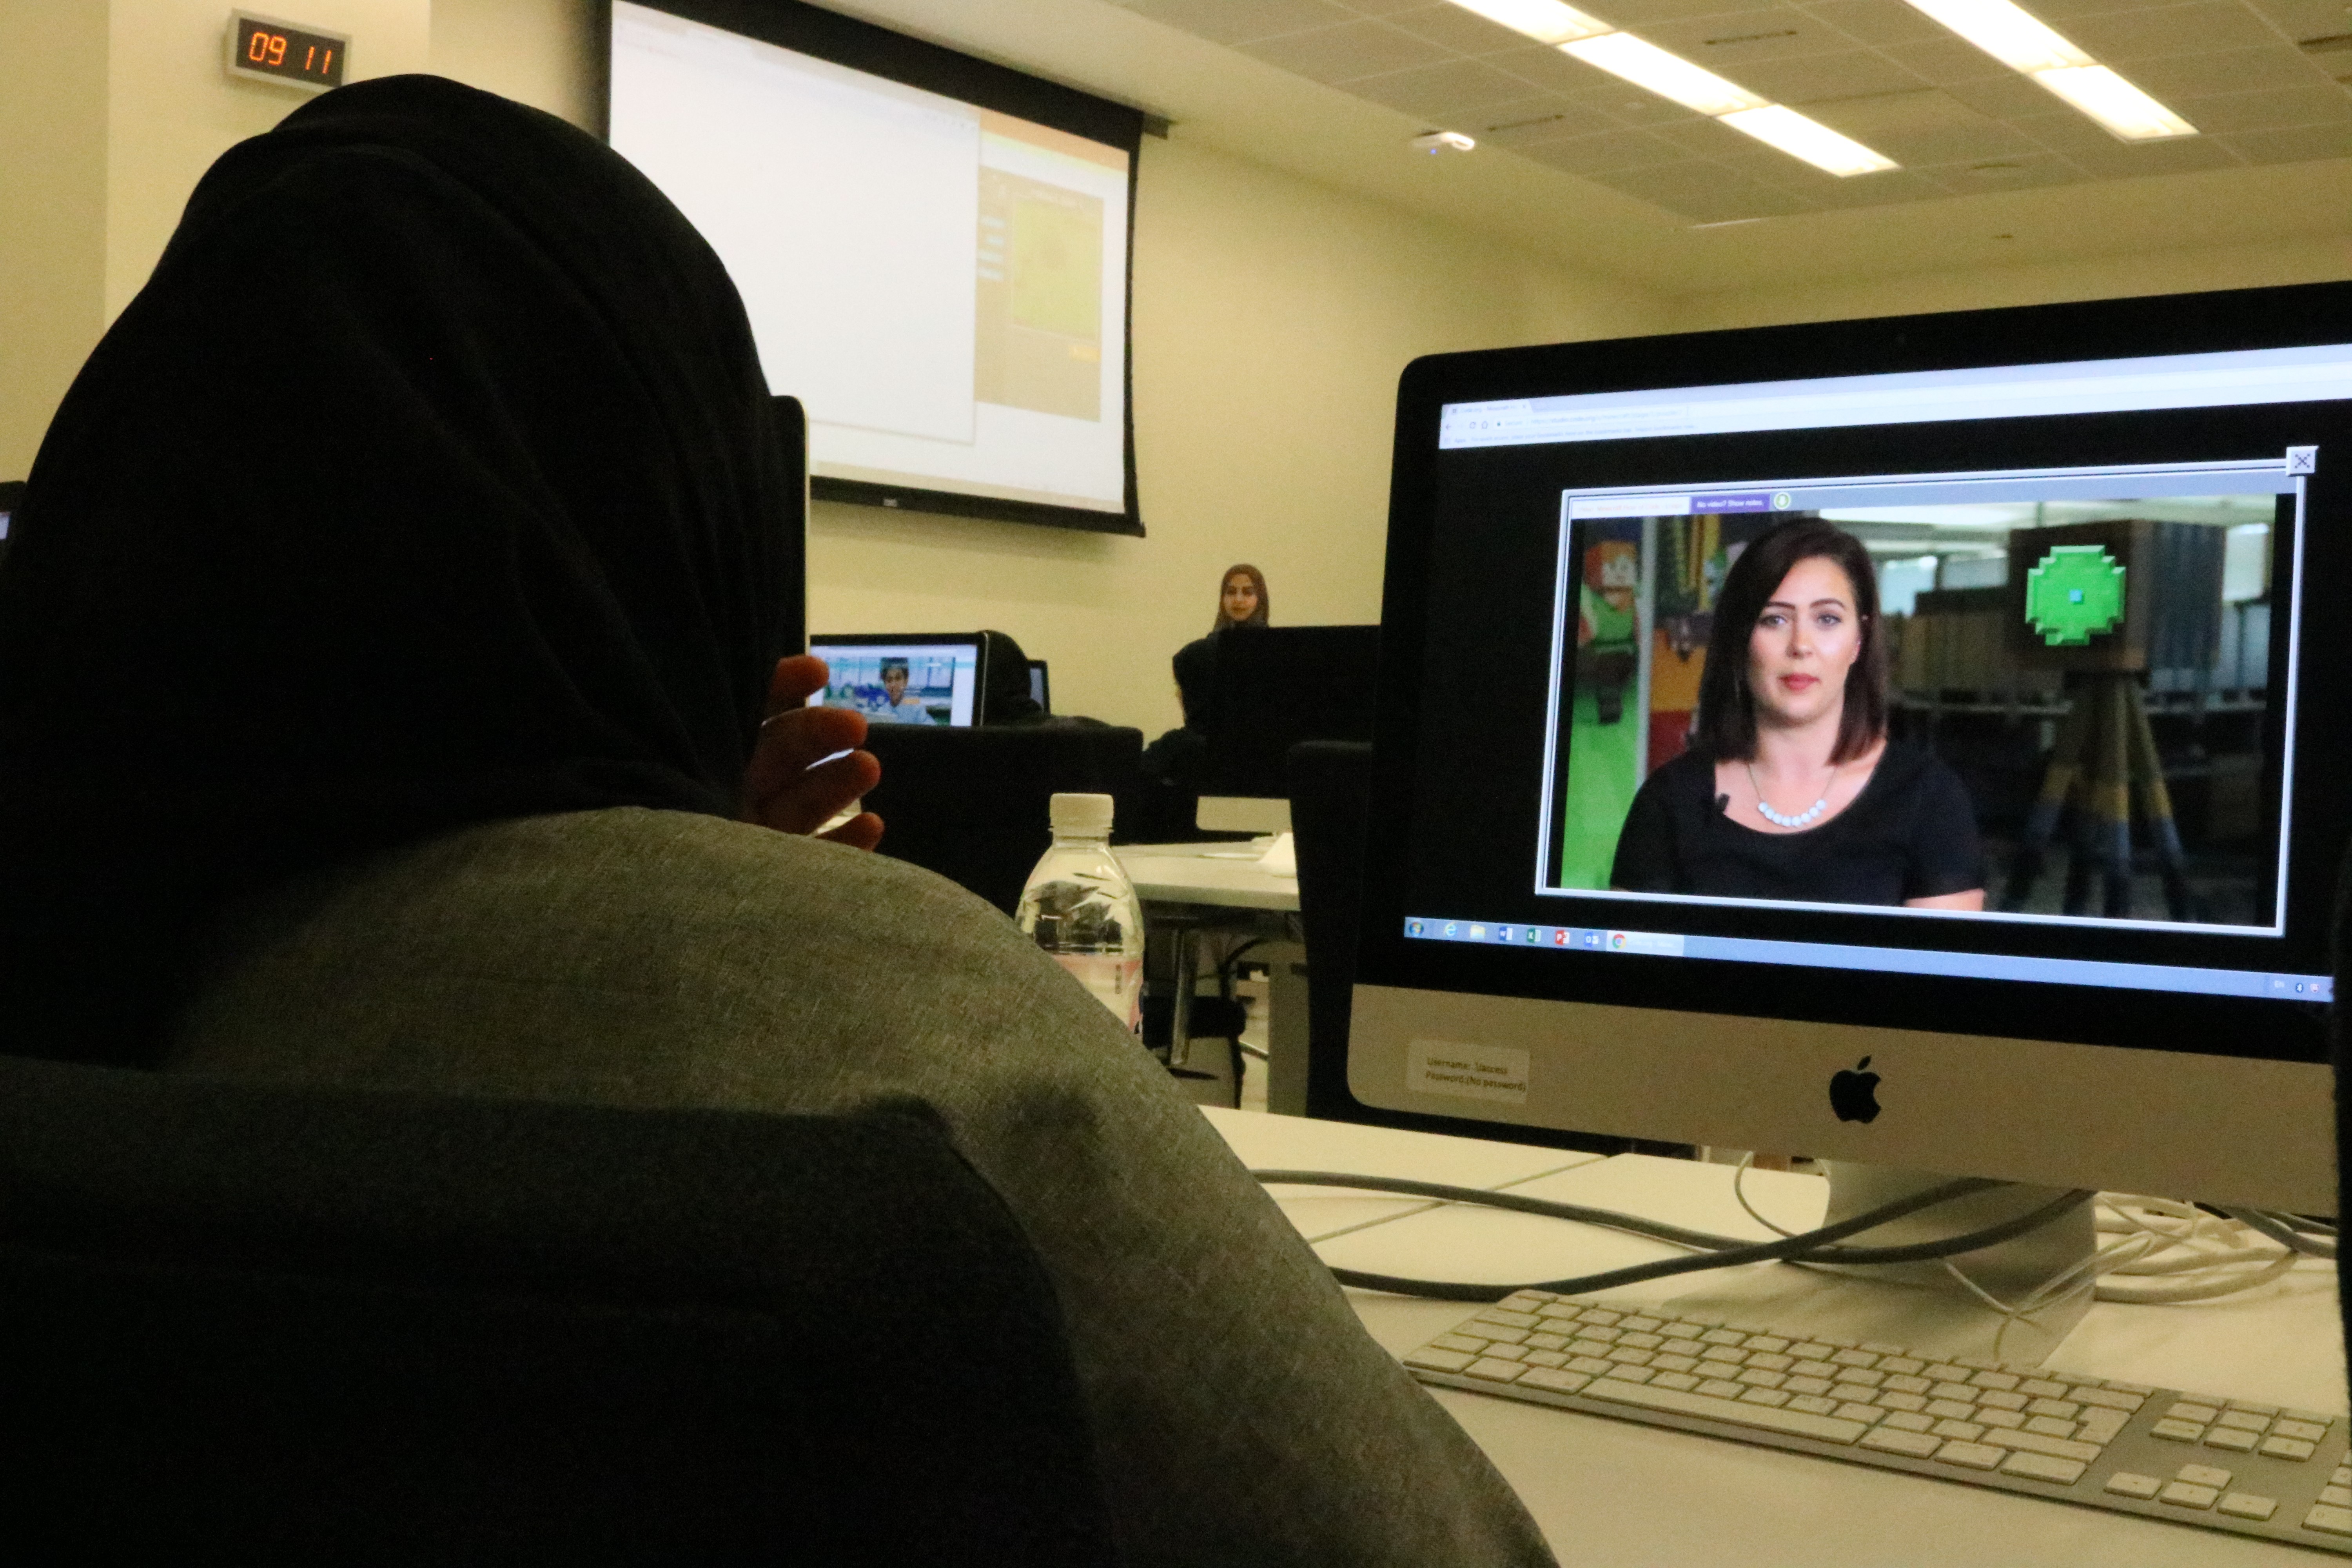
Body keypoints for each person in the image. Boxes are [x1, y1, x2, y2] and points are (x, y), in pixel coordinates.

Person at [0, 77, 1552, 1568]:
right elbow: (1415, 1537)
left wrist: (662, 830)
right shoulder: (894, 1017)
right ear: (675, 513)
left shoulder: (80, 974)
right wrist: (721, 904)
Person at [1610, 519, 1984, 909]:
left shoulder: (1929, 799)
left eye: (1827, 619)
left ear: (1859, 640)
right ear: (1741, 638)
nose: (1800, 645)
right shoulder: (1670, 800)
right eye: (1774, 619)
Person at [863, 656, 937, 724]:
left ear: (906, 681)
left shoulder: (917, 708)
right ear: (885, 683)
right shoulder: (882, 711)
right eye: (889, 680)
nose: (893, 685)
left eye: (898, 679)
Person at [1212, 562, 1269, 634]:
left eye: (1248, 593)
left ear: (1260, 599)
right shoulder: (1209, 641)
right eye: (1231, 592)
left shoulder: (1275, 641)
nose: (1238, 600)